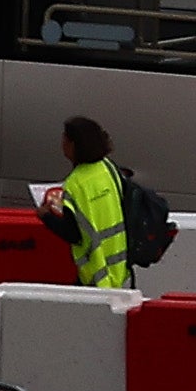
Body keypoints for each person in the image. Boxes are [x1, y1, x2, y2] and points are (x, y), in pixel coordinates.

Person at [42, 113, 136, 287]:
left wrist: (46, 216)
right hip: (119, 267)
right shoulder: (108, 167)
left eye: (64, 139)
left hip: (95, 274)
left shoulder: (75, 183)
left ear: (73, 144)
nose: (62, 144)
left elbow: (73, 233)